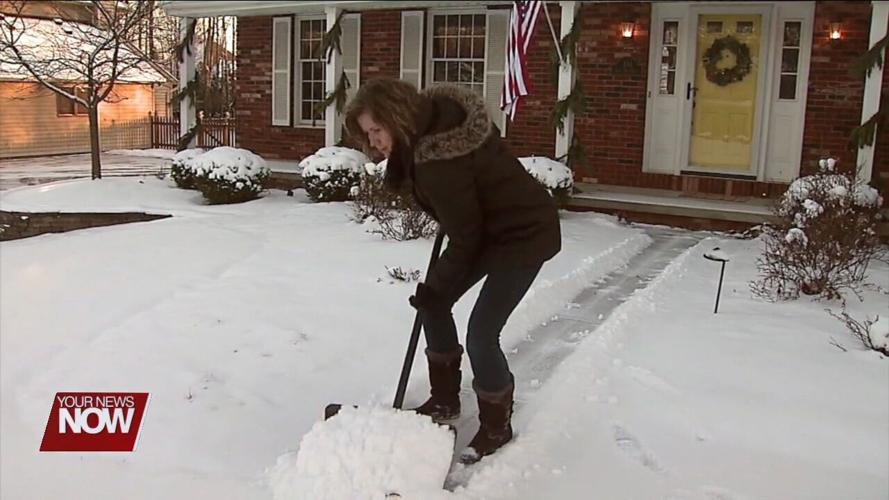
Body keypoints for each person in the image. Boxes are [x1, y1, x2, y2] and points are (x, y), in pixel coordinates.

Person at [344, 78, 561, 463]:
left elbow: (465, 237)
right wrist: (436, 291)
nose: (373, 142)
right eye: (368, 134)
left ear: (397, 117)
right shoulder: (429, 132)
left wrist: (437, 286)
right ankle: (444, 402)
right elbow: (467, 221)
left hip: (524, 234)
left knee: (482, 334)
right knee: (434, 304)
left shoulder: (438, 160)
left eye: (376, 130)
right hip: (485, 231)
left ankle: (496, 426)